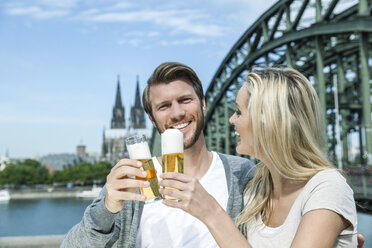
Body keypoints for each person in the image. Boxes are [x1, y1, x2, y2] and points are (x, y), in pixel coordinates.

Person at [61, 62, 255, 247]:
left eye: (185, 100)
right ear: (152, 120)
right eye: (164, 106)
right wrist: (106, 208)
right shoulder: (134, 177)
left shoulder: (241, 173)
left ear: (203, 104)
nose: (177, 113)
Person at [160, 67, 359, 247]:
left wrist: (212, 213)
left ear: (267, 120)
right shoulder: (254, 190)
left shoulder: (327, 188)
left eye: (238, 112)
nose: (231, 120)